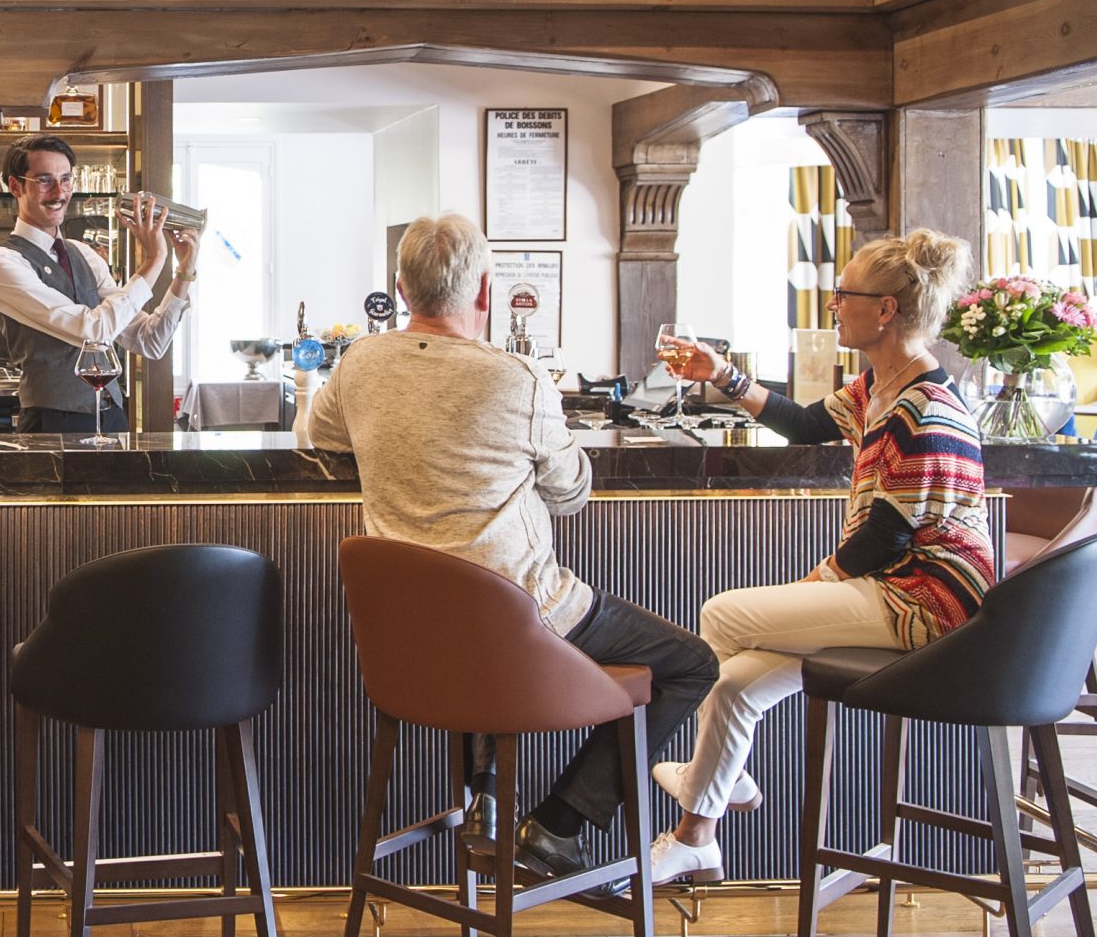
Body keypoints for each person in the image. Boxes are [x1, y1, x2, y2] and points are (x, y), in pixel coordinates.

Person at [305, 213, 719, 884]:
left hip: (408, 638)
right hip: (518, 627)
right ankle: (560, 824)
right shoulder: (518, 379)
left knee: (469, 604)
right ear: (486, 291)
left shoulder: (361, 362)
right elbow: (573, 489)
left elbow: (320, 432)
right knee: (693, 663)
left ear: (402, 290)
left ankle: (489, 799)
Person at [648, 228, 993, 885]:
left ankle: (704, 780)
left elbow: (884, 541)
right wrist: (721, 374)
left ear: (886, 309)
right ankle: (698, 837)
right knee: (732, 685)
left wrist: (818, 579)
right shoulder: (880, 386)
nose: (833, 305)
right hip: (890, 586)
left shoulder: (928, 411)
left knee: (721, 614)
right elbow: (806, 424)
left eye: (844, 295)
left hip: (924, 600)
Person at [0, 134, 198, 435]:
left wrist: (183, 270)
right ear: (15, 186)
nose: (59, 192)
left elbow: (150, 341)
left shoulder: (82, 253)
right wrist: (155, 259)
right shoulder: (3, 264)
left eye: (66, 179)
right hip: (51, 425)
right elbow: (94, 330)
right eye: (45, 180)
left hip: (112, 421)